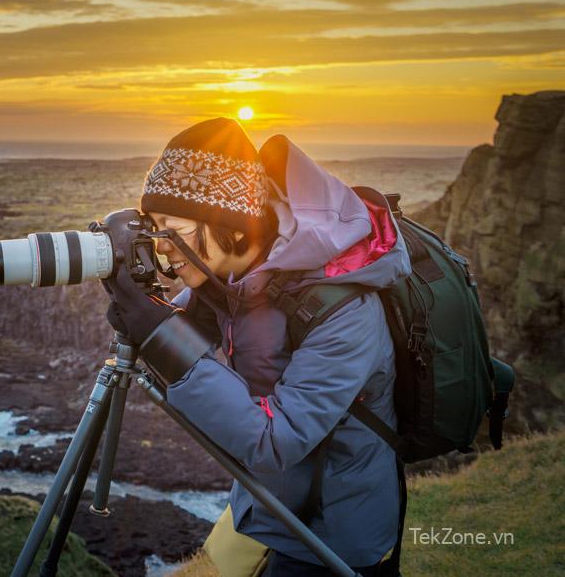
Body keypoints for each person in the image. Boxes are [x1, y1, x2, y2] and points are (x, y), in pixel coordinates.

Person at [103, 118, 411, 576]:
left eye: (175, 229)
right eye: (155, 228)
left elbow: (273, 442)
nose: (164, 249)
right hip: (270, 507)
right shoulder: (230, 277)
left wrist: (158, 335)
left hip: (334, 535)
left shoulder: (345, 309)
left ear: (234, 226)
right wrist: (144, 309)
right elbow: (180, 337)